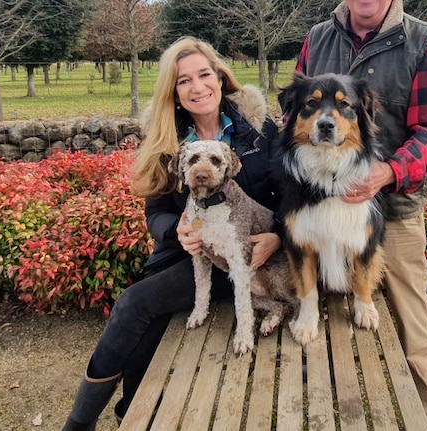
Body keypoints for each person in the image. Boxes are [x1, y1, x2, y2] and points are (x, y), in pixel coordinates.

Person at [62, 37, 282, 431]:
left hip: (254, 260)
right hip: (194, 257)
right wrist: (176, 232)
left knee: (138, 310)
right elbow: (156, 213)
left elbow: (290, 192)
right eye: (184, 81)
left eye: (204, 75)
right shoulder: (167, 142)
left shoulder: (259, 129)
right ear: (174, 92)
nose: (197, 87)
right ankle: (104, 420)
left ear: (220, 76)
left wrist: (278, 235)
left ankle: (126, 417)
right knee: (137, 312)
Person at [296, 0, 427, 430]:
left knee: (410, 317)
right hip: (318, 206)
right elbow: (295, 118)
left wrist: (387, 173)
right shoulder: (316, 39)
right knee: (325, 319)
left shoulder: (424, 41)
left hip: (394, 206)